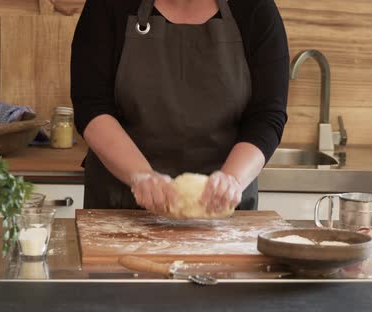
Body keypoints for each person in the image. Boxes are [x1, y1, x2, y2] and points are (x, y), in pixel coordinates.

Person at [70, 0, 289, 214]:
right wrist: (141, 175)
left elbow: (267, 115)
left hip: (222, 210)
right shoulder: (108, 5)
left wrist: (232, 179)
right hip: (122, 202)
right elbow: (91, 106)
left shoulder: (255, 8)